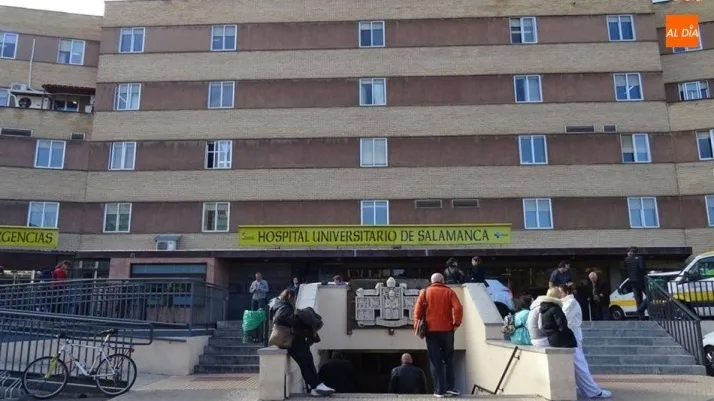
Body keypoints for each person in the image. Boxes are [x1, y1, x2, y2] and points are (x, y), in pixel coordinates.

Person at [271, 289, 335, 396]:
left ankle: (316, 385)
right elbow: (284, 319)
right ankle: (315, 385)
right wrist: (300, 317)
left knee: (307, 359)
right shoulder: (283, 307)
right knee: (305, 360)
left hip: (290, 339)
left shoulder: (281, 305)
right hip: (289, 340)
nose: (295, 300)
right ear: (290, 296)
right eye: (294, 298)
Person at [414, 273, 463, 398]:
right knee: (448, 358)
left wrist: (417, 327)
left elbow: (417, 312)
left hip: (431, 331)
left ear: (431, 281)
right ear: (442, 280)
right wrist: (456, 323)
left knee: (435, 360)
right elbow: (458, 308)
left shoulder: (425, 292)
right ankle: (450, 387)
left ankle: (439, 390)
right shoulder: (449, 292)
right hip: (447, 330)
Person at [560, 283, 612, 399]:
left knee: (579, 363)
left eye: (561, 293)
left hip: (572, 336)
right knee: (576, 363)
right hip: (570, 336)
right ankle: (585, 388)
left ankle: (592, 391)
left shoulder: (571, 302)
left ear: (567, 292)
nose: (559, 295)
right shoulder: (566, 302)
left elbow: (563, 317)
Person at [624, 247, 647, 320]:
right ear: (637, 252)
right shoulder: (640, 258)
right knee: (650, 296)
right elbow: (642, 268)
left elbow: (625, 267)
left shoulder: (627, 259)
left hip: (632, 281)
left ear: (630, 252)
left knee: (638, 299)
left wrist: (628, 256)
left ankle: (641, 317)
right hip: (640, 280)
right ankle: (641, 309)